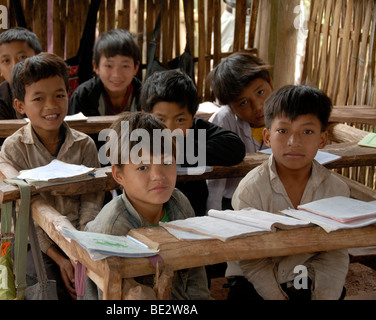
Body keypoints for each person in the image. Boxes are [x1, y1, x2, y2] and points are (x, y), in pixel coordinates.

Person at [227, 85, 350, 300]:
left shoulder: (336, 191)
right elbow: (250, 259)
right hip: (256, 277)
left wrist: (324, 296)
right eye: (283, 131)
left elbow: (335, 254)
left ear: (322, 139)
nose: (294, 142)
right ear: (267, 137)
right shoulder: (251, 189)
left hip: (306, 273)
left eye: (307, 131)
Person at [0, 52, 104, 300]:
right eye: (38, 98)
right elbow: (22, 215)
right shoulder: (14, 149)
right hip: (34, 242)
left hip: (80, 236)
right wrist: (60, 256)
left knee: (98, 283)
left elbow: (92, 200)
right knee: (49, 289)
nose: (51, 106)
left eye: (59, 95)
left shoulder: (84, 145)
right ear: (20, 106)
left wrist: (78, 250)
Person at [84, 112, 212, 300]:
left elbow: (194, 273)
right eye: (142, 167)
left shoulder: (180, 205)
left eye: (166, 162)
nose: (158, 175)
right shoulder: (113, 228)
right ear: (119, 176)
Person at [140, 69, 246, 217]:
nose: (169, 130)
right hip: (146, 215)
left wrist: (179, 148)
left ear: (191, 118)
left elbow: (235, 148)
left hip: (191, 214)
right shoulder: (137, 135)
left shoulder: (196, 128)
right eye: (160, 120)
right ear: (145, 116)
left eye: (180, 120)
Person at [205, 52, 274, 211]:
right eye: (243, 102)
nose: (257, 106)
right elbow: (215, 180)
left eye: (260, 92)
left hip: (267, 202)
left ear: (270, 83)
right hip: (230, 204)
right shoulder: (224, 120)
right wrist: (213, 215)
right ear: (229, 105)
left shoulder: (284, 114)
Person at [0, 27, 42, 150]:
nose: (15, 66)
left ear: (39, 58)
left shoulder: (53, 91)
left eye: (22, 57)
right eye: (6, 61)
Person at [68, 29, 142, 117]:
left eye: (125, 66)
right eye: (108, 66)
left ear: (135, 67)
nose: (116, 75)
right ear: (96, 66)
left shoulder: (145, 97)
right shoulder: (83, 96)